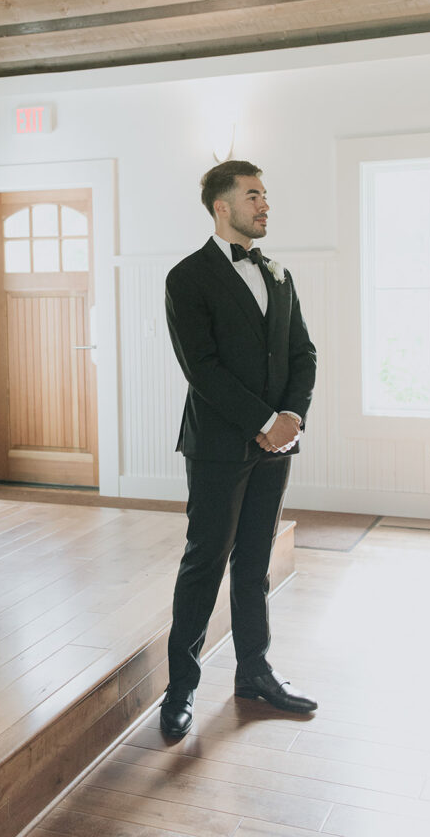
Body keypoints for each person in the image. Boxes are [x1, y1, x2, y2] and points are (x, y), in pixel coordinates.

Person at [160, 159, 318, 739]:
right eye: (253, 196)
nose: (265, 204)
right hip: (219, 446)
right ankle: (180, 689)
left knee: (254, 565)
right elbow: (201, 368)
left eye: (265, 195)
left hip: (277, 443)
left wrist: (291, 416)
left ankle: (254, 672)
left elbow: (304, 354)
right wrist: (261, 420)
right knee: (205, 563)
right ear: (222, 206)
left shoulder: (279, 273)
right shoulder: (187, 277)